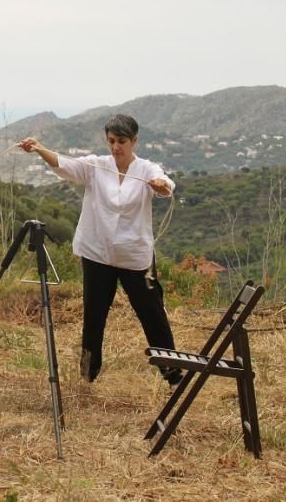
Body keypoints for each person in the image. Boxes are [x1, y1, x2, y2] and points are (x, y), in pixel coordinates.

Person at [19, 114, 183, 387]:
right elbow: (64, 164)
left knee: (152, 315)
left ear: (134, 141)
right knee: (94, 316)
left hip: (134, 257)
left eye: (121, 141)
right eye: (111, 141)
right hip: (97, 254)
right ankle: (87, 375)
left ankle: (173, 374)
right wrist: (38, 147)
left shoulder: (146, 169)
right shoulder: (96, 166)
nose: (116, 147)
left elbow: (165, 185)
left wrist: (162, 185)